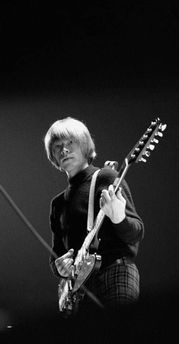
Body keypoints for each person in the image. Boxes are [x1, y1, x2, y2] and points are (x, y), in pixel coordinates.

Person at [44, 116, 144, 313]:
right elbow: (56, 254)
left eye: (70, 142)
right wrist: (59, 268)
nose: (63, 149)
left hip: (114, 271)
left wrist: (119, 218)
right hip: (79, 291)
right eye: (57, 146)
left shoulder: (106, 177)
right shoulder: (57, 204)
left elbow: (136, 232)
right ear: (53, 156)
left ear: (84, 146)